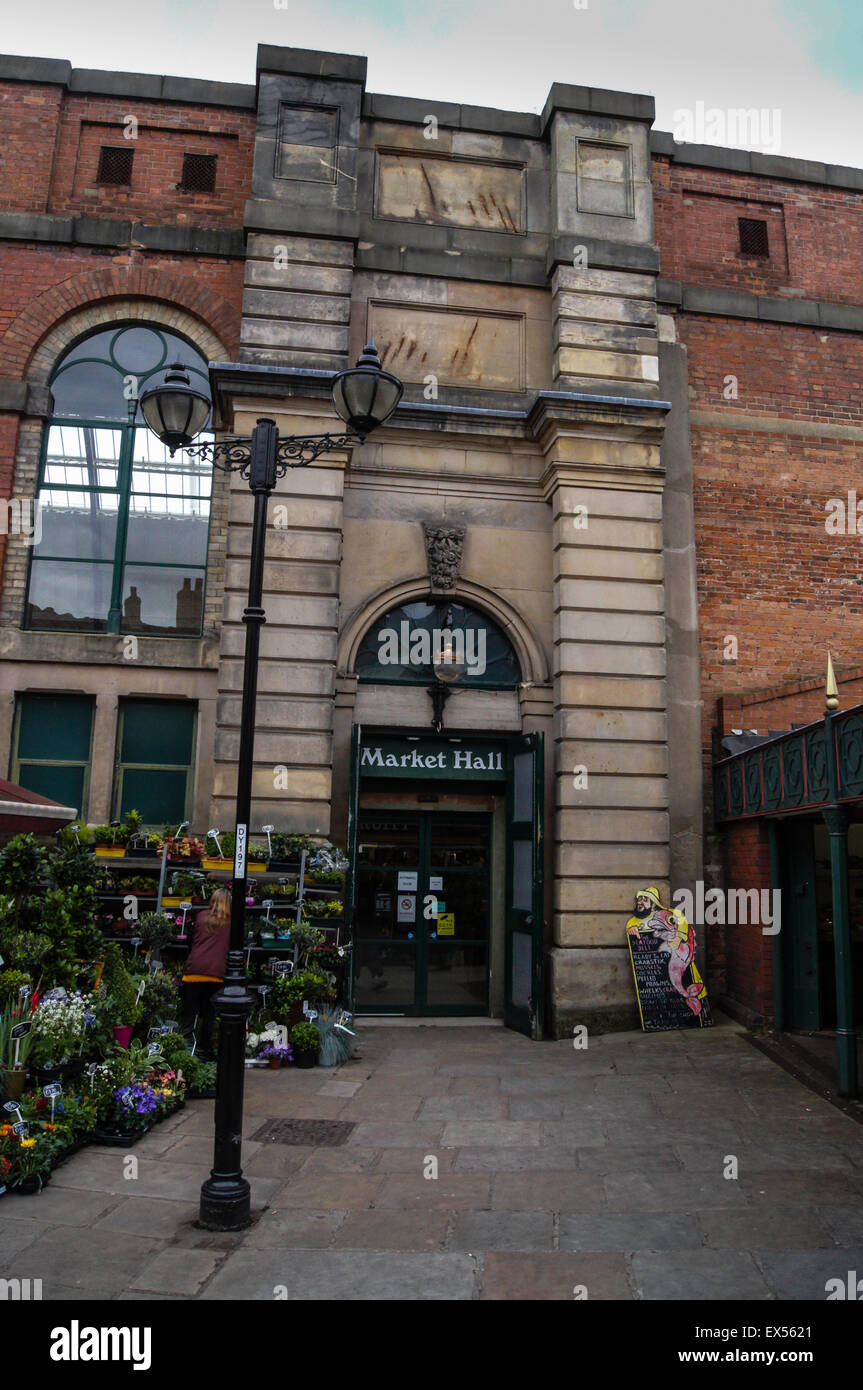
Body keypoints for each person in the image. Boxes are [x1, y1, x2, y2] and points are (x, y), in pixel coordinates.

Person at [180, 887, 231, 1059]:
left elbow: (190, 942)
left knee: (189, 1013)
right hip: (216, 975)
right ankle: (204, 1051)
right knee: (209, 1015)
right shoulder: (230, 922)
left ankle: (185, 1049)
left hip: (193, 971)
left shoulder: (201, 916)